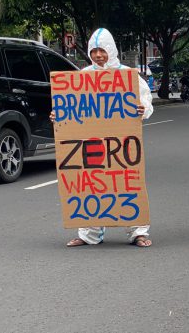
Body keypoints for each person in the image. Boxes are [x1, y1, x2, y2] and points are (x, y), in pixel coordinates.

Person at [59, 28, 154, 248]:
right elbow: (71, 107)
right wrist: (59, 115)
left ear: (110, 50)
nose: (99, 55)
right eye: (95, 51)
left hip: (122, 141)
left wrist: (143, 109)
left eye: (102, 50)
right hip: (92, 141)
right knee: (91, 183)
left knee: (128, 181)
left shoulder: (128, 75)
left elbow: (145, 99)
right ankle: (88, 233)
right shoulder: (83, 76)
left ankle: (138, 232)